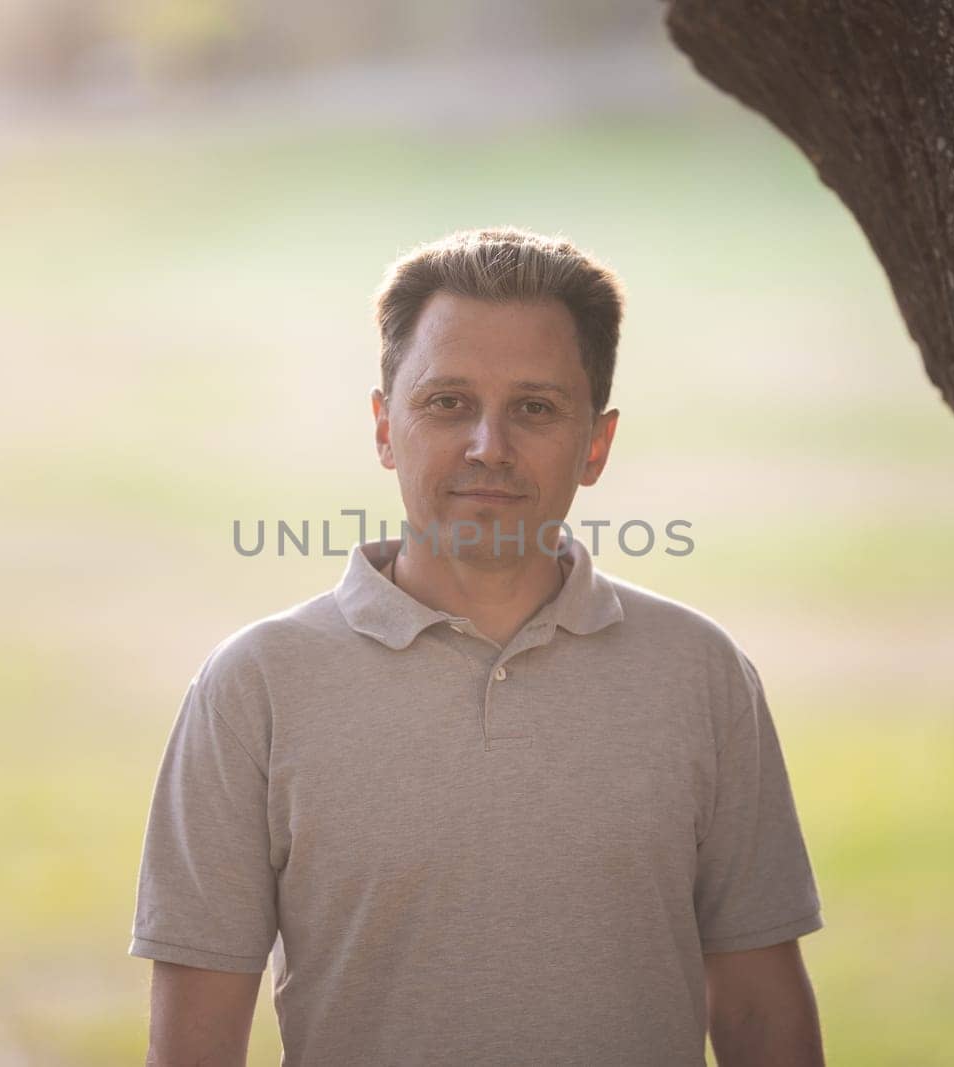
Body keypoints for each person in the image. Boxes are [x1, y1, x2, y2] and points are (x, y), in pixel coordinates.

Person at [129, 226, 826, 1065]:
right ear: (386, 427)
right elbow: (195, 1045)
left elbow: (759, 1010)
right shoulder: (254, 688)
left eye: (534, 408)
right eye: (448, 402)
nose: (488, 447)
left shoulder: (701, 675)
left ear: (595, 444)